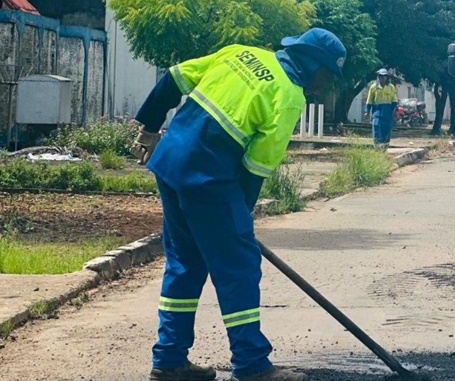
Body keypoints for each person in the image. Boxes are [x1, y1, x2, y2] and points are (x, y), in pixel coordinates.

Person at [130, 28, 346, 381]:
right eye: (328, 75)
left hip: (170, 165)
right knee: (239, 268)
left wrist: (150, 129)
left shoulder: (240, 53)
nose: (327, 85)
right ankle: (251, 365)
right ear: (313, 65)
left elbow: (173, 79)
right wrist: (238, 223)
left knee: (185, 264)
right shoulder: (288, 96)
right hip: (207, 178)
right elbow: (253, 171)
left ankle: (169, 359)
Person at [365, 68, 398, 145]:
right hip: (377, 112)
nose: (382, 78)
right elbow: (369, 100)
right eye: (380, 76)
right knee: (376, 126)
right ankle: (377, 146)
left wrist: (395, 111)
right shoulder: (373, 87)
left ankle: (384, 146)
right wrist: (367, 111)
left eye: (384, 76)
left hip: (387, 113)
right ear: (378, 77)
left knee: (386, 130)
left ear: (387, 77)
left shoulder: (391, 87)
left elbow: (394, 100)